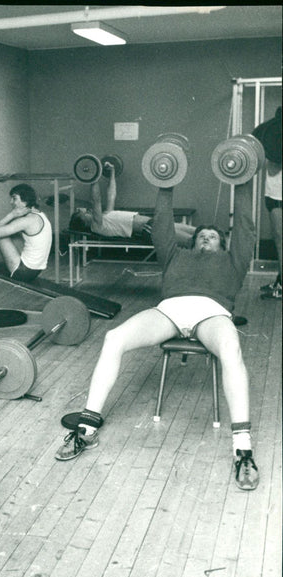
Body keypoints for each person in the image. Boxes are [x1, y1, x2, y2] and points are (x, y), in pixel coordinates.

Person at [55, 175, 260, 492]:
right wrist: (167, 183)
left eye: (213, 237)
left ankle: (242, 449)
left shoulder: (234, 260)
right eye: (202, 236)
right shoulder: (175, 255)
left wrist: (243, 182)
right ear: (192, 241)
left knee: (231, 350)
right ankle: (87, 427)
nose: (206, 239)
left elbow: (245, 225)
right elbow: (162, 224)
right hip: (170, 311)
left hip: (212, 313)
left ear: (224, 244)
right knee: (113, 338)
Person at [69, 160, 196, 246]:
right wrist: (93, 178)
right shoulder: (96, 226)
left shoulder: (105, 216)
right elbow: (95, 201)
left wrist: (112, 173)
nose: (84, 210)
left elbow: (111, 194)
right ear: (83, 221)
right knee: (191, 241)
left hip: (154, 223)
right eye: (81, 213)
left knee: (197, 232)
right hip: (150, 229)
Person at [252, 106, 282, 300]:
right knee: (280, 240)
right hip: (274, 195)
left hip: (277, 196)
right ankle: (280, 281)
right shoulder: (271, 136)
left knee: (281, 240)